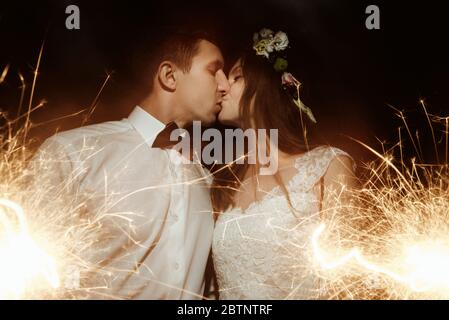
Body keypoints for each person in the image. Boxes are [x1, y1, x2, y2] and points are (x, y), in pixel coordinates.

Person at [32, 29, 230, 299]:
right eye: (214, 71)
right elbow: (33, 276)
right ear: (169, 76)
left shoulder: (206, 181)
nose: (224, 85)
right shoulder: (72, 154)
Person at [211, 28, 357, 299]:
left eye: (237, 77)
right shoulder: (224, 183)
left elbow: (345, 280)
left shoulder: (328, 166)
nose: (223, 87)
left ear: (266, 85)